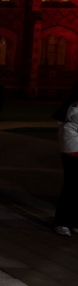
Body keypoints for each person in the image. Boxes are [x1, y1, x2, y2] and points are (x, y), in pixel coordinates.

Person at [54, 82, 78, 236]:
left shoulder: (72, 105)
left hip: (72, 148)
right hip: (73, 150)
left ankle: (72, 221)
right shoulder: (75, 108)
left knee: (73, 187)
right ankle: (62, 222)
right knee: (71, 186)